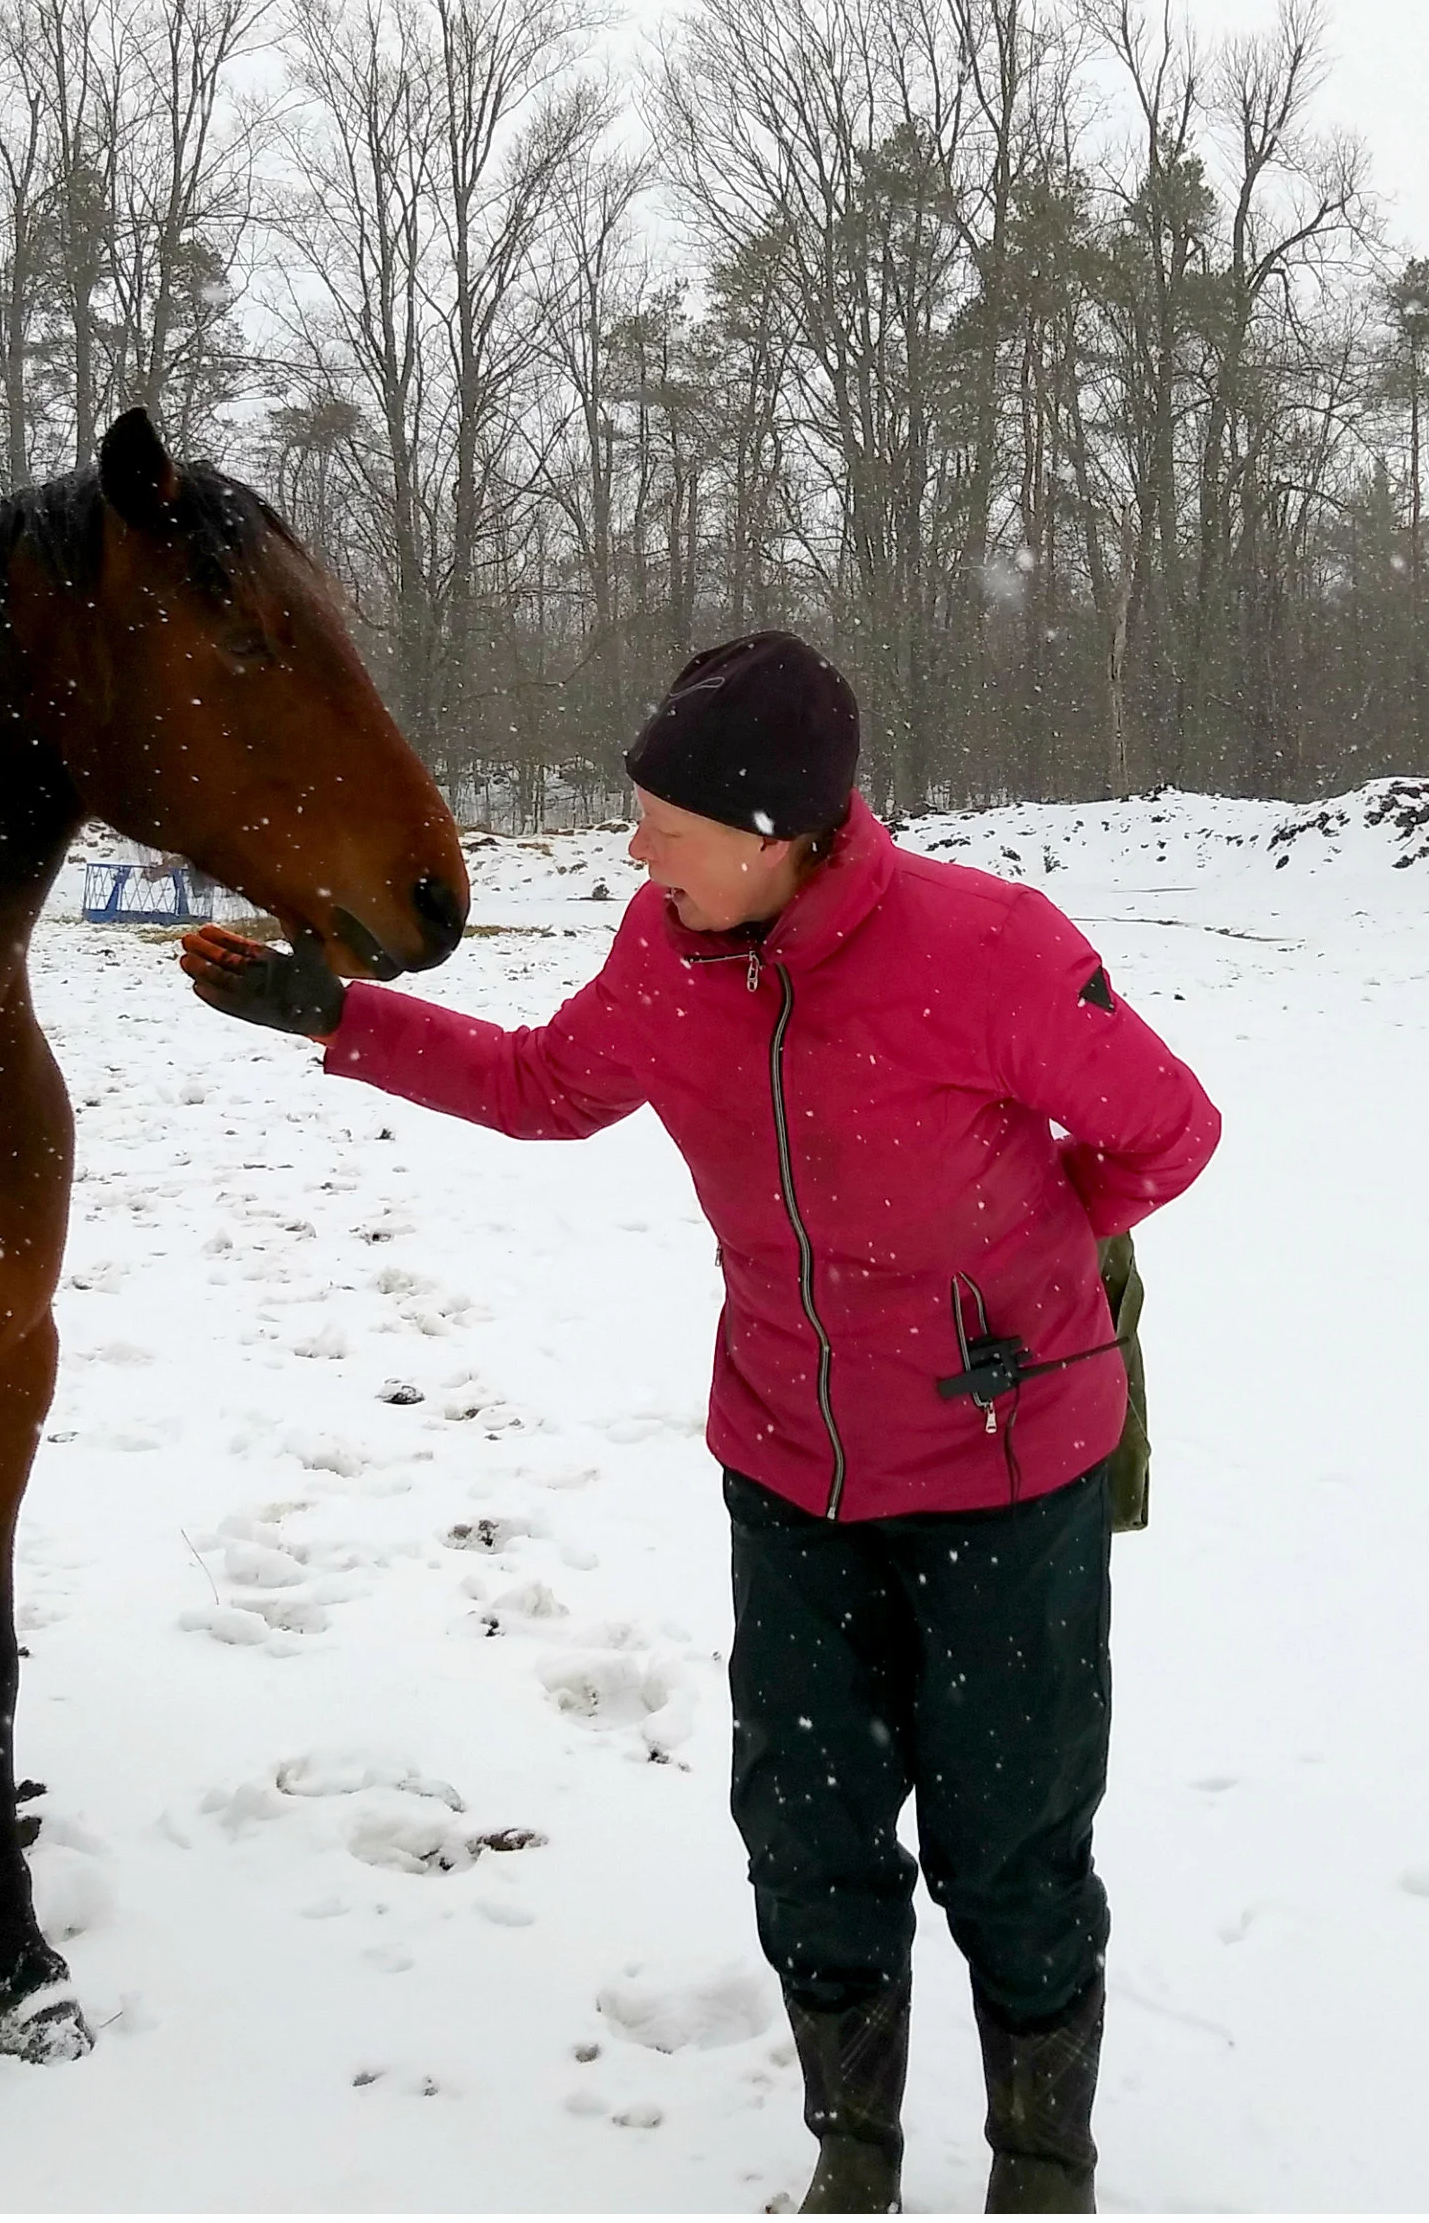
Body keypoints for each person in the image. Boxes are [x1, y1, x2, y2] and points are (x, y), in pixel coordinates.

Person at [178, 630, 1220, 2214]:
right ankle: (854, 2157)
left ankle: (1041, 2169)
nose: (636, 847)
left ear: (779, 834)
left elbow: (1167, 1128)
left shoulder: (987, 947)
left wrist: (1035, 1256)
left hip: (1009, 1477)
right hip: (791, 1470)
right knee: (808, 1837)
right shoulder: (668, 950)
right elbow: (545, 1086)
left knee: (1013, 1843)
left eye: (666, 821)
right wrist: (343, 1014)